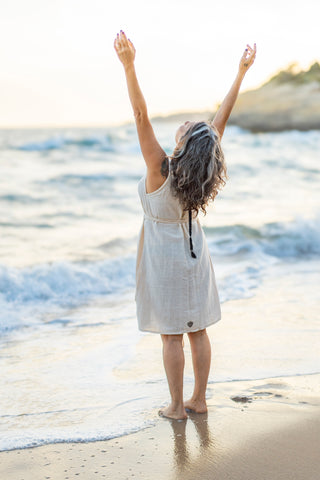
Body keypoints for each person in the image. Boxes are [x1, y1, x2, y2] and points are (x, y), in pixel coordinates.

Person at [114, 30, 256, 420]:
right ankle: (200, 399)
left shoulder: (161, 169)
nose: (191, 122)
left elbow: (141, 116)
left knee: (172, 335)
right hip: (196, 254)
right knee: (198, 331)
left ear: (182, 145)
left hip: (165, 256)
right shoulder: (202, 171)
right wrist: (240, 74)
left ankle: (177, 407)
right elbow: (218, 125)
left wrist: (129, 67)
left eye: (189, 125)